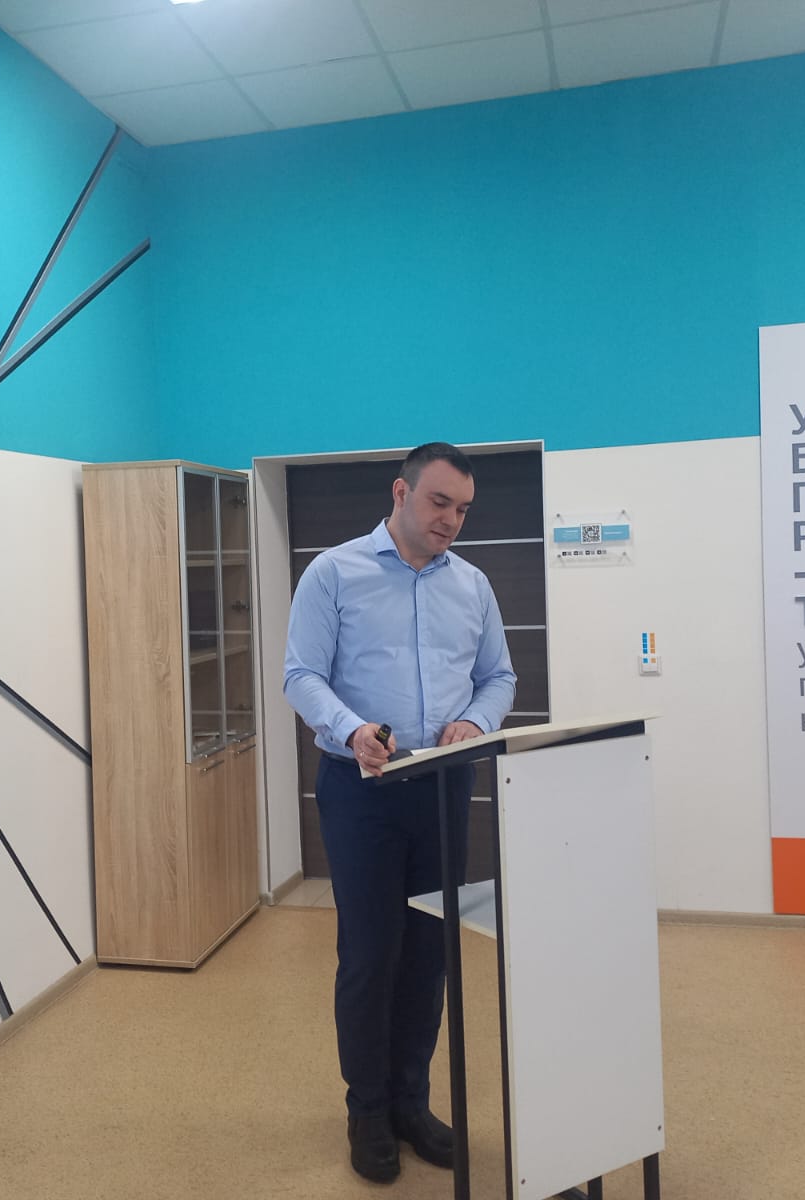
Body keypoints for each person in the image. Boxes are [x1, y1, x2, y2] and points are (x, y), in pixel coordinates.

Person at [282, 442, 517, 1183]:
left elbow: (498, 676)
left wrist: (475, 721)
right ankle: (369, 1112)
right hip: (362, 789)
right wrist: (353, 728)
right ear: (401, 492)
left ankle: (413, 1103)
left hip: (442, 787)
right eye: (440, 502)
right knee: (370, 953)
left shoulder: (473, 585)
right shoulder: (334, 572)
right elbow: (301, 674)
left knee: (428, 953)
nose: (451, 520)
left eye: (463, 510)